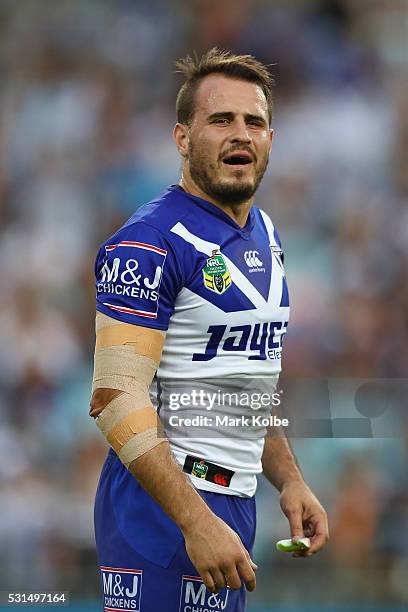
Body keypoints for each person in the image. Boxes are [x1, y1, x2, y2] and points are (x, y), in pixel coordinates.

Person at [90, 48, 329, 612]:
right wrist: (195, 520)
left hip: (234, 503)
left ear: (272, 138)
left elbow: (247, 381)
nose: (240, 134)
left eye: (254, 122)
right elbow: (115, 399)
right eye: (221, 120)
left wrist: (289, 479)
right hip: (162, 511)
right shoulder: (146, 241)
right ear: (181, 137)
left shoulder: (264, 231)